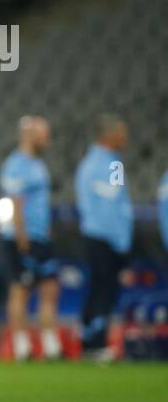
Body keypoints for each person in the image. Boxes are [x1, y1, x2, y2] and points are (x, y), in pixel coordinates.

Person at [0, 116, 62, 360]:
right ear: (30, 134)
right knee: (21, 290)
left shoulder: (37, 164)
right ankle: (21, 345)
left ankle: (50, 345)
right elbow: (15, 203)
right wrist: (21, 239)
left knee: (50, 288)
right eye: (43, 134)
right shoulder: (16, 165)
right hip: (21, 238)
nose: (47, 139)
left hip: (40, 237)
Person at [75, 114, 133, 360]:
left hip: (93, 233)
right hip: (108, 237)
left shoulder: (87, 164)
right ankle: (95, 344)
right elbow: (117, 204)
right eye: (122, 133)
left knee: (97, 289)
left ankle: (89, 341)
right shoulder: (112, 165)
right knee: (105, 290)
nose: (125, 138)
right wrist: (123, 242)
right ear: (109, 136)